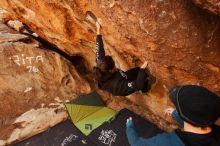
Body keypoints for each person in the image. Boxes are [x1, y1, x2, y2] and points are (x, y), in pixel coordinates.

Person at [126, 85, 220, 146]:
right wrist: (177, 114)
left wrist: (129, 126)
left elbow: (136, 144)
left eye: (178, 107)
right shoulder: (214, 131)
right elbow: (195, 126)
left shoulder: (168, 142)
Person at [93, 21, 151, 96]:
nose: (115, 65)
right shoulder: (117, 86)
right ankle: (145, 88)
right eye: (114, 64)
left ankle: (143, 75)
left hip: (122, 76)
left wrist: (98, 29)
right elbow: (137, 85)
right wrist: (142, 69)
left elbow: (99, 48)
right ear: (110, 70)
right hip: (123, 87)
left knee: (137, 70)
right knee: (141, 81)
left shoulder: (100, 63)